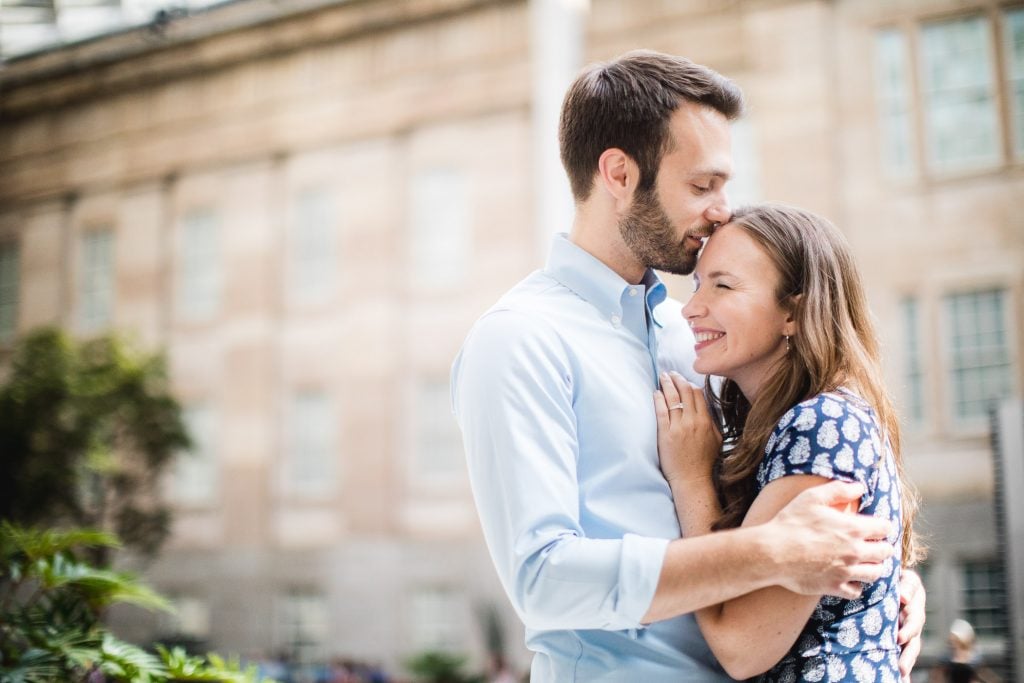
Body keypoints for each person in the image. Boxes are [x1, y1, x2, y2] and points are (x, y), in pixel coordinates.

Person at [450, 50, 925, 682]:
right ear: (619, 173)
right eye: (702, 185)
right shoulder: (519, 340)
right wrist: (769, 553)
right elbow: (542, 579)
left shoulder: (693, 335)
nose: (723, 209)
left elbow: (777, 490)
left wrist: (875, 582)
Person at [655, 203, 922, 681]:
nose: (692, 308)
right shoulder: (806, 422)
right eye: (698, 284)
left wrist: (692, 478)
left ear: (793, 313)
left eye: (723, 284)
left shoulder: (822, 424)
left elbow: (740, 648)